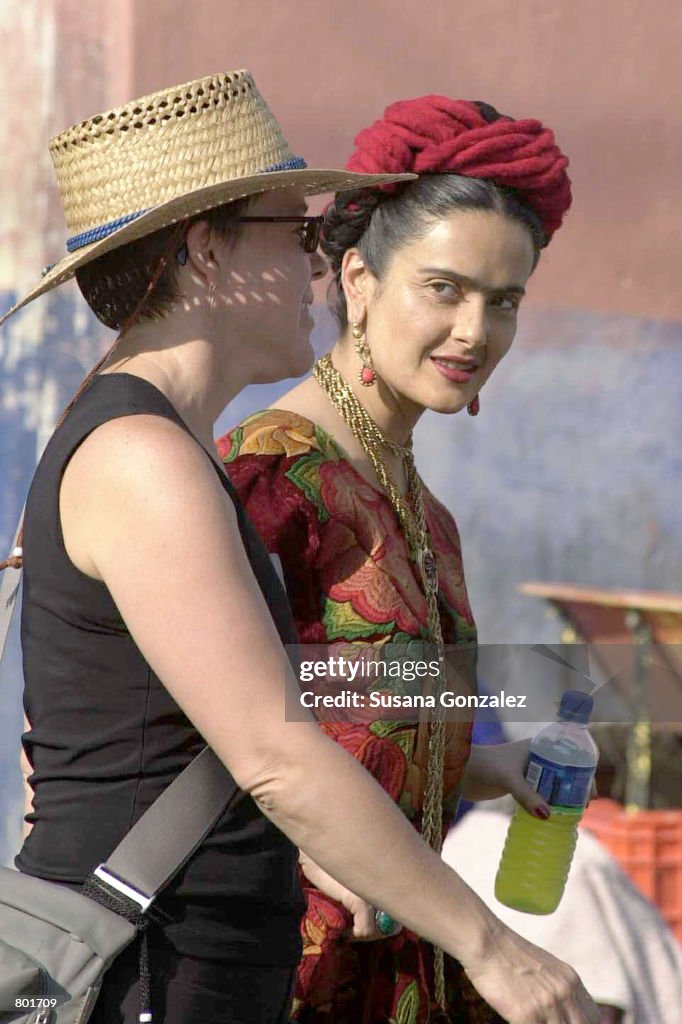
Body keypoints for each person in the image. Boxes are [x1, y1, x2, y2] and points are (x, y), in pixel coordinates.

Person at [0, 73, 600, 1024]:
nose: (321, 262)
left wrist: (473, 761)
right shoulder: (159, 459)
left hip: (213, 961)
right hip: (160, 968)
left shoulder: (162, 446)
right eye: (297, 231)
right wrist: (493, 947)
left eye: (505, 300)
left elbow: (250, 717)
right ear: (208, 251)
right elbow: (269, 756)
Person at [218, 94, 577, 1023]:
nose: (474, 332)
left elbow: (344, 706)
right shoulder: (268, 479)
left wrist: (473, 765)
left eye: (503, 302)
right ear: (359, 280)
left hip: (402, 975)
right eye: (444, 288)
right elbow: (162, 717)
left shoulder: (428, 512)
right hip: (268, 975)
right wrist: (304, 843)